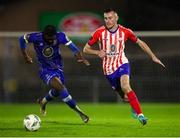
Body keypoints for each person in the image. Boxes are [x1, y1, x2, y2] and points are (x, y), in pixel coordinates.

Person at [83, 8, 165, 125]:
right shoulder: (99, 32)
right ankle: (133, 107)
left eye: (110, 18)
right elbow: (85, 49)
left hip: (122, 62)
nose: (108, 21)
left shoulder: (125, 31)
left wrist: (153, 56)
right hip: (108, 69)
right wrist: (97, 52)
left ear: (116, 18)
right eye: (105, 18)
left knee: (126, 86)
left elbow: (140, 42)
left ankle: (140, 115)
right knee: (125, 98)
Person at [19, 25, 90, 123]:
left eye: (53, 38)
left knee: (57, 91)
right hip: (45, 70)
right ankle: (79, 112)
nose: (52, 40)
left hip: (58, 69)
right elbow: (22, 39)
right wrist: (25, 55)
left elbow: (73, 47)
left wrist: (79, 56)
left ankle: (43, 102)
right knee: (60, 87)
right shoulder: (36, 37)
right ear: (45, 35)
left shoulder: (60, 36)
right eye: (49, 38)